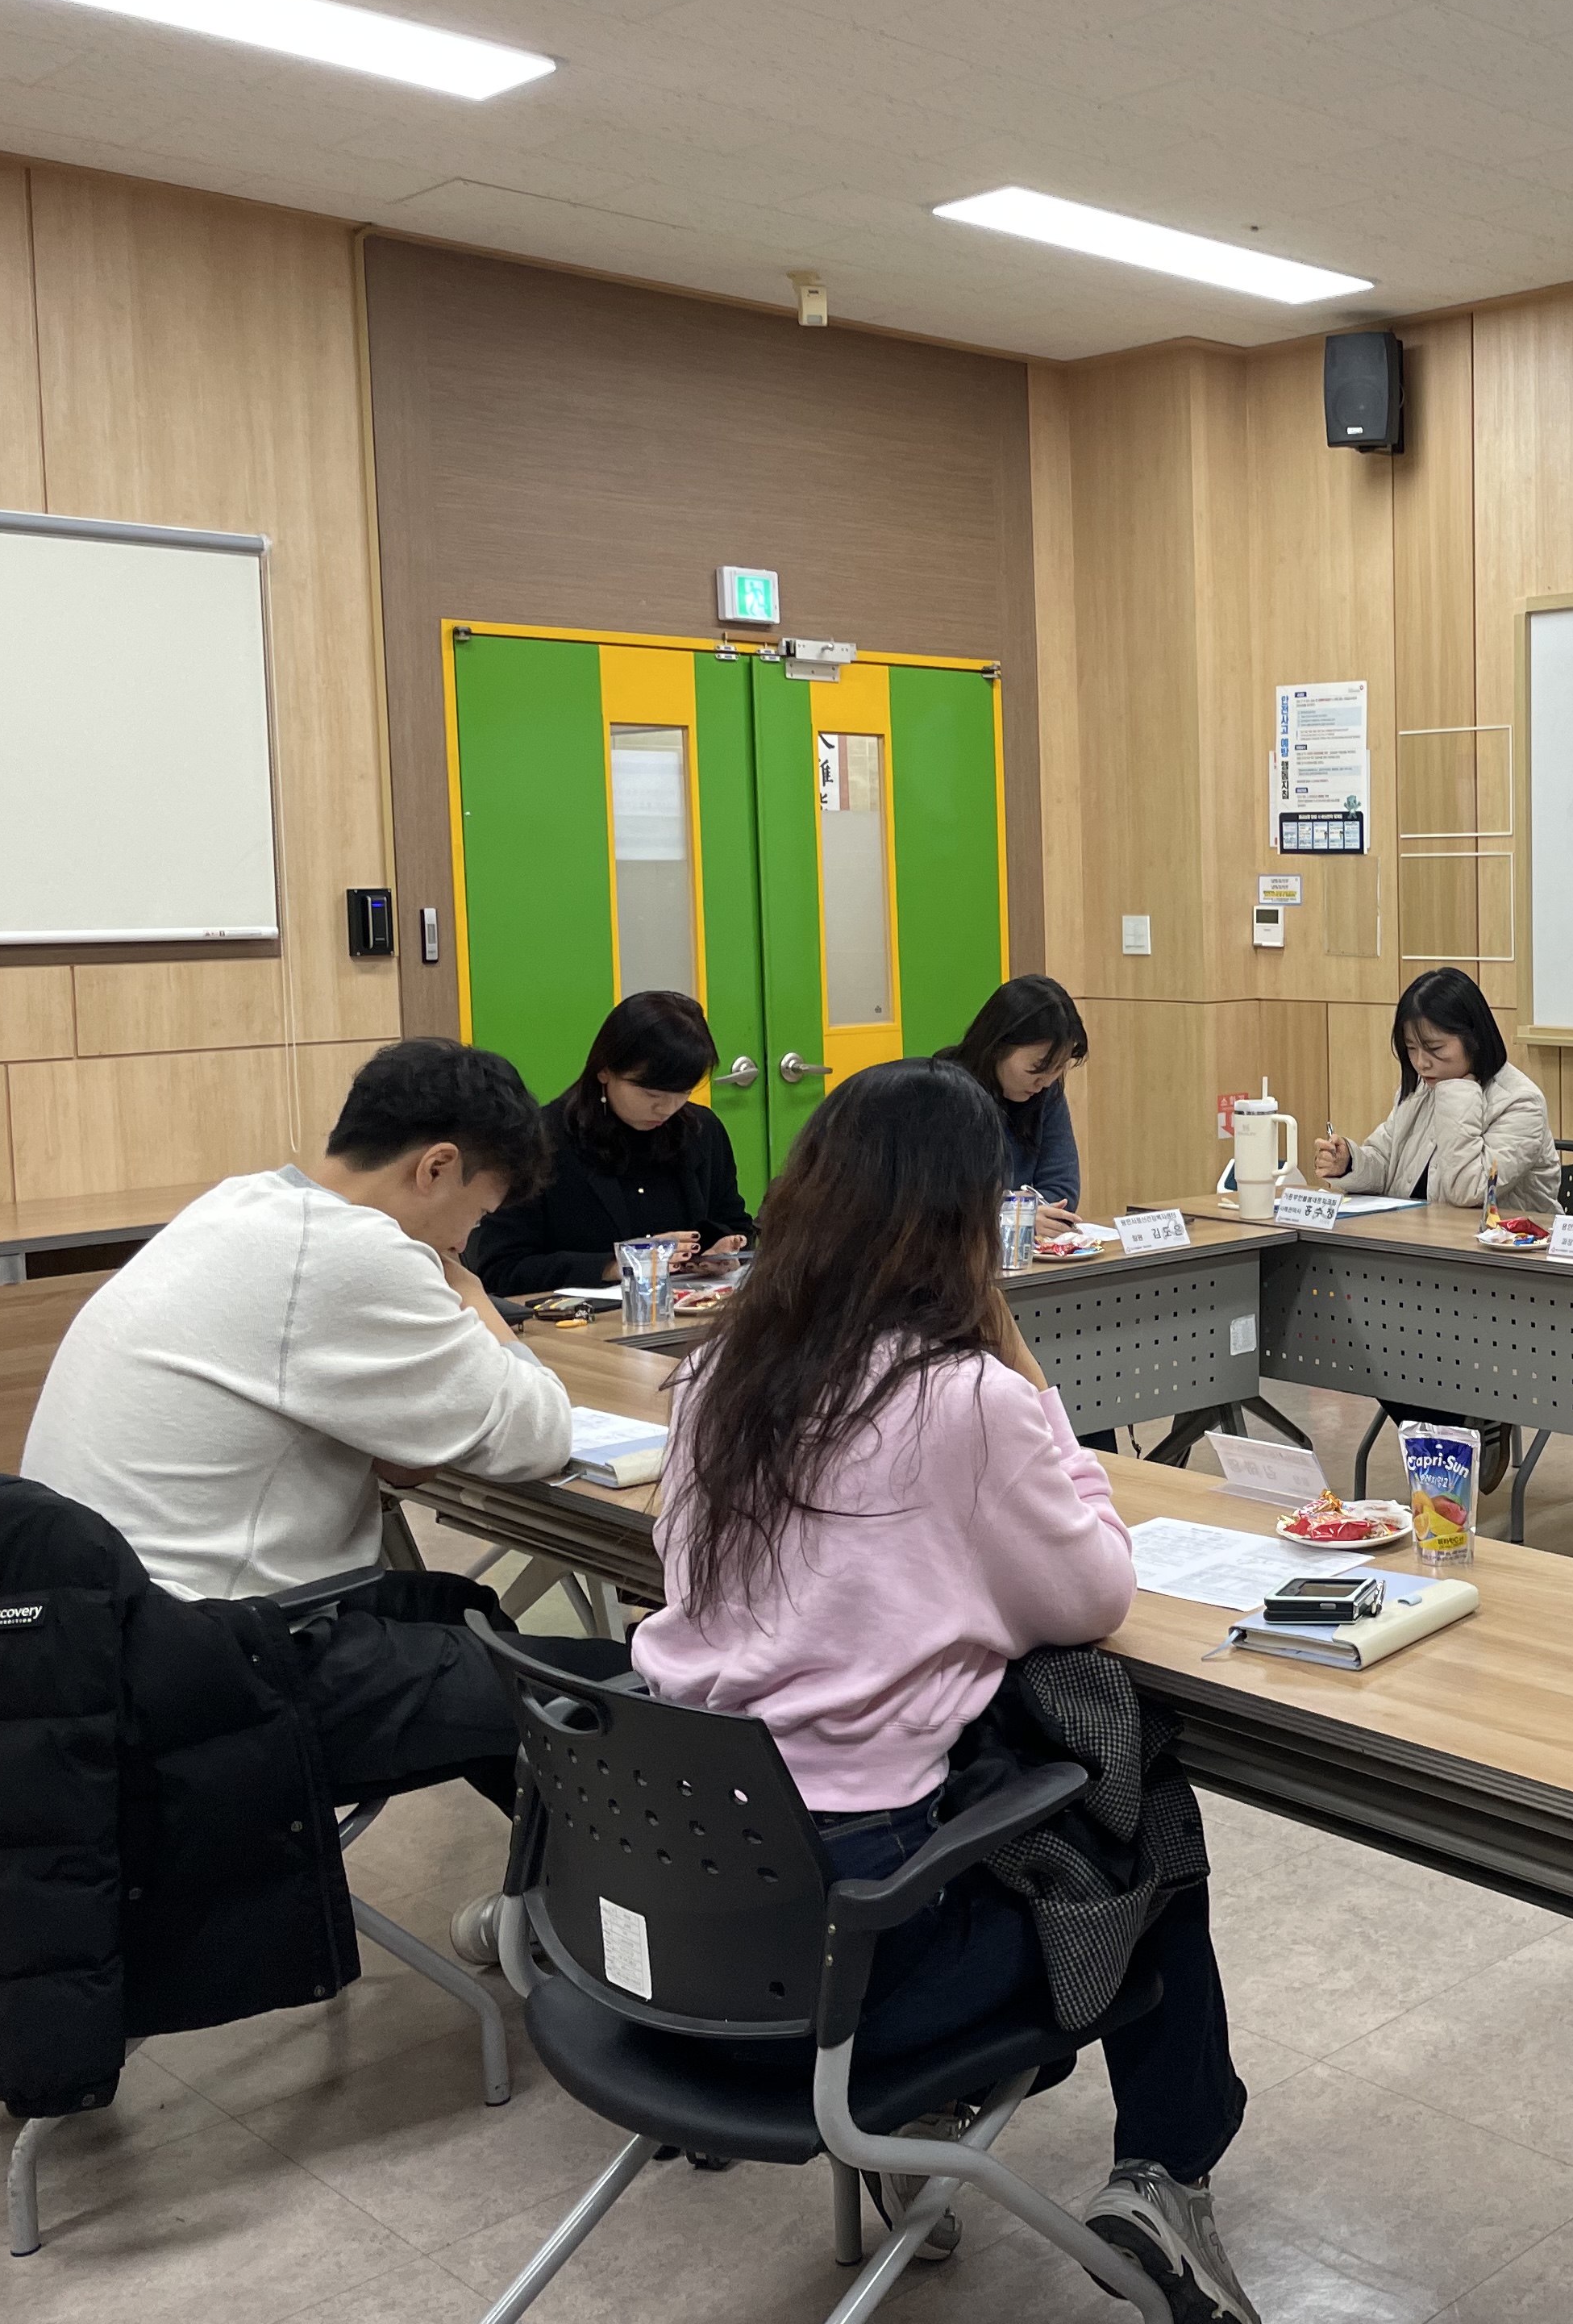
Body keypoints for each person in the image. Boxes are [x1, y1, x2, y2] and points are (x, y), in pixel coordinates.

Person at [632, 1058, 1259, 2324]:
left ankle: (923, 2130)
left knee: (997, 1761)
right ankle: (1164, 2179)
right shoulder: (962, 1399)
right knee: (1150, 1832)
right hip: (854, 1949)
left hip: (674, 1907)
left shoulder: (716, 1371)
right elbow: (1093, 1596)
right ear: (966, 1224)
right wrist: (1024, 1372)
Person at [22, 1038, 581, 1811]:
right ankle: (599, 1884)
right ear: (436, 1167)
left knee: (469, 1616)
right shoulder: (354, 1254)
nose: (462, 1242)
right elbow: (541, 1436)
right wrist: (475, 1296)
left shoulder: (241, 1204)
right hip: (204, 1669)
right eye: (477, 1215)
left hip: (90, 1634)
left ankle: (556, 1874)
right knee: (589, 1691)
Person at [1312, 968, 1559, 1493]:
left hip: (1503, 1283)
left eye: (1434, 1049)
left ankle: (1461, 1438)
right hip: (1425, 1270)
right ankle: (1457, 1435)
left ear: (1474, 1039)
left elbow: (1471, 1190)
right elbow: (1384, 1160)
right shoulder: (1422, 1090)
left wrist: (1458, 1094)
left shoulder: (1519, 1101)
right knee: (1362, 1340)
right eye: (1411, 1049)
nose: (1421, 1063)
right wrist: (1350, 1160)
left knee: (1395, 1340)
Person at [467, 990, 758, 1293]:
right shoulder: (540, 1141)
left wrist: (723, 1253)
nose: (667, 1109)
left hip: (685, 1308)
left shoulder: (701, 1129)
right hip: (579, 1318)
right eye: (651, 1094)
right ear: (605, 1070)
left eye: (683, 1093)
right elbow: (501, 1269)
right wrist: (615, 1265)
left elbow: (735, 1223)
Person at [943, 974, 1090, 1233]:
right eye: (1037, 1067)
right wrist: (1014, 1216)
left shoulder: (1046, 1091)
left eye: (1058, 1068)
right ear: (997, 1046)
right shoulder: (944, 1091)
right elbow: (941, 1199)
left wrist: (1023, 1214)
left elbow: (1062, 1188)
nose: (1045, 1082)